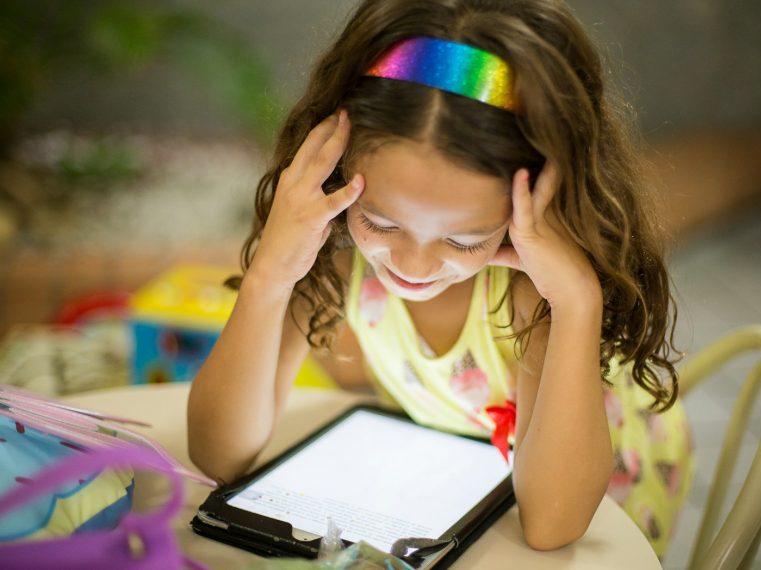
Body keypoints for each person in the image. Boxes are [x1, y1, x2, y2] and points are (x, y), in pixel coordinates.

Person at [187, 0, 693, 557]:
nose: (414, 266)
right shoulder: (331, 254)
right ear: (334, 171)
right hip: (457, 476)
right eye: (379, 222)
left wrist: (576, 300)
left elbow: (551, 525)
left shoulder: (534, 292)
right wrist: (270, 275)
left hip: (603, 498)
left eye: (463, 239)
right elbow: (218, 455)